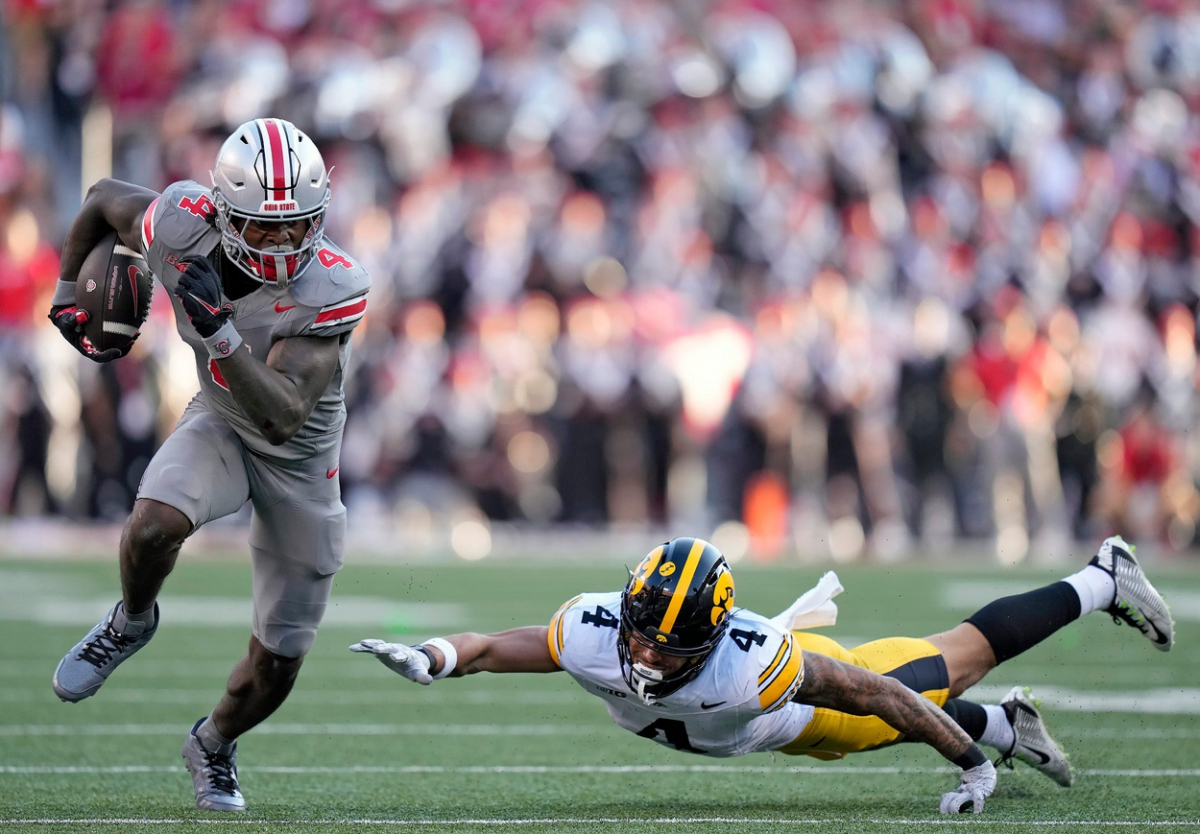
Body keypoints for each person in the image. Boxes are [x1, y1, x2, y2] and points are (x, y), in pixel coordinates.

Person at [352, 534, 1173, 815]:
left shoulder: (755, 666)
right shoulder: (596, 632)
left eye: (669, 653)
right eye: (640, 640)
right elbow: (500, 644)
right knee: (904, 710)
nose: (643, 660)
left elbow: (876, 693)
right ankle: (1008, 725)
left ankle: (1102, 577)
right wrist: (435, 655)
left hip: (809, 714)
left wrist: (969, 768)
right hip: (761, 736)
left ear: (710, 643)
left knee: (949, 665)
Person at [49, 118, 370, 812]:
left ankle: (213, 743)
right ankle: (131, 621)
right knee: (153, 524)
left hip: (299, 456)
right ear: (223, 214)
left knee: (279, 661)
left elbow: (282, 414)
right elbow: (104, 197)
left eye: (298, 225)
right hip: (222, 422)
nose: (284, 243)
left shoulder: (334, 285)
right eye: (264, 228)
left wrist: (220, 333)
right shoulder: (179, 221)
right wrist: (68, 289)